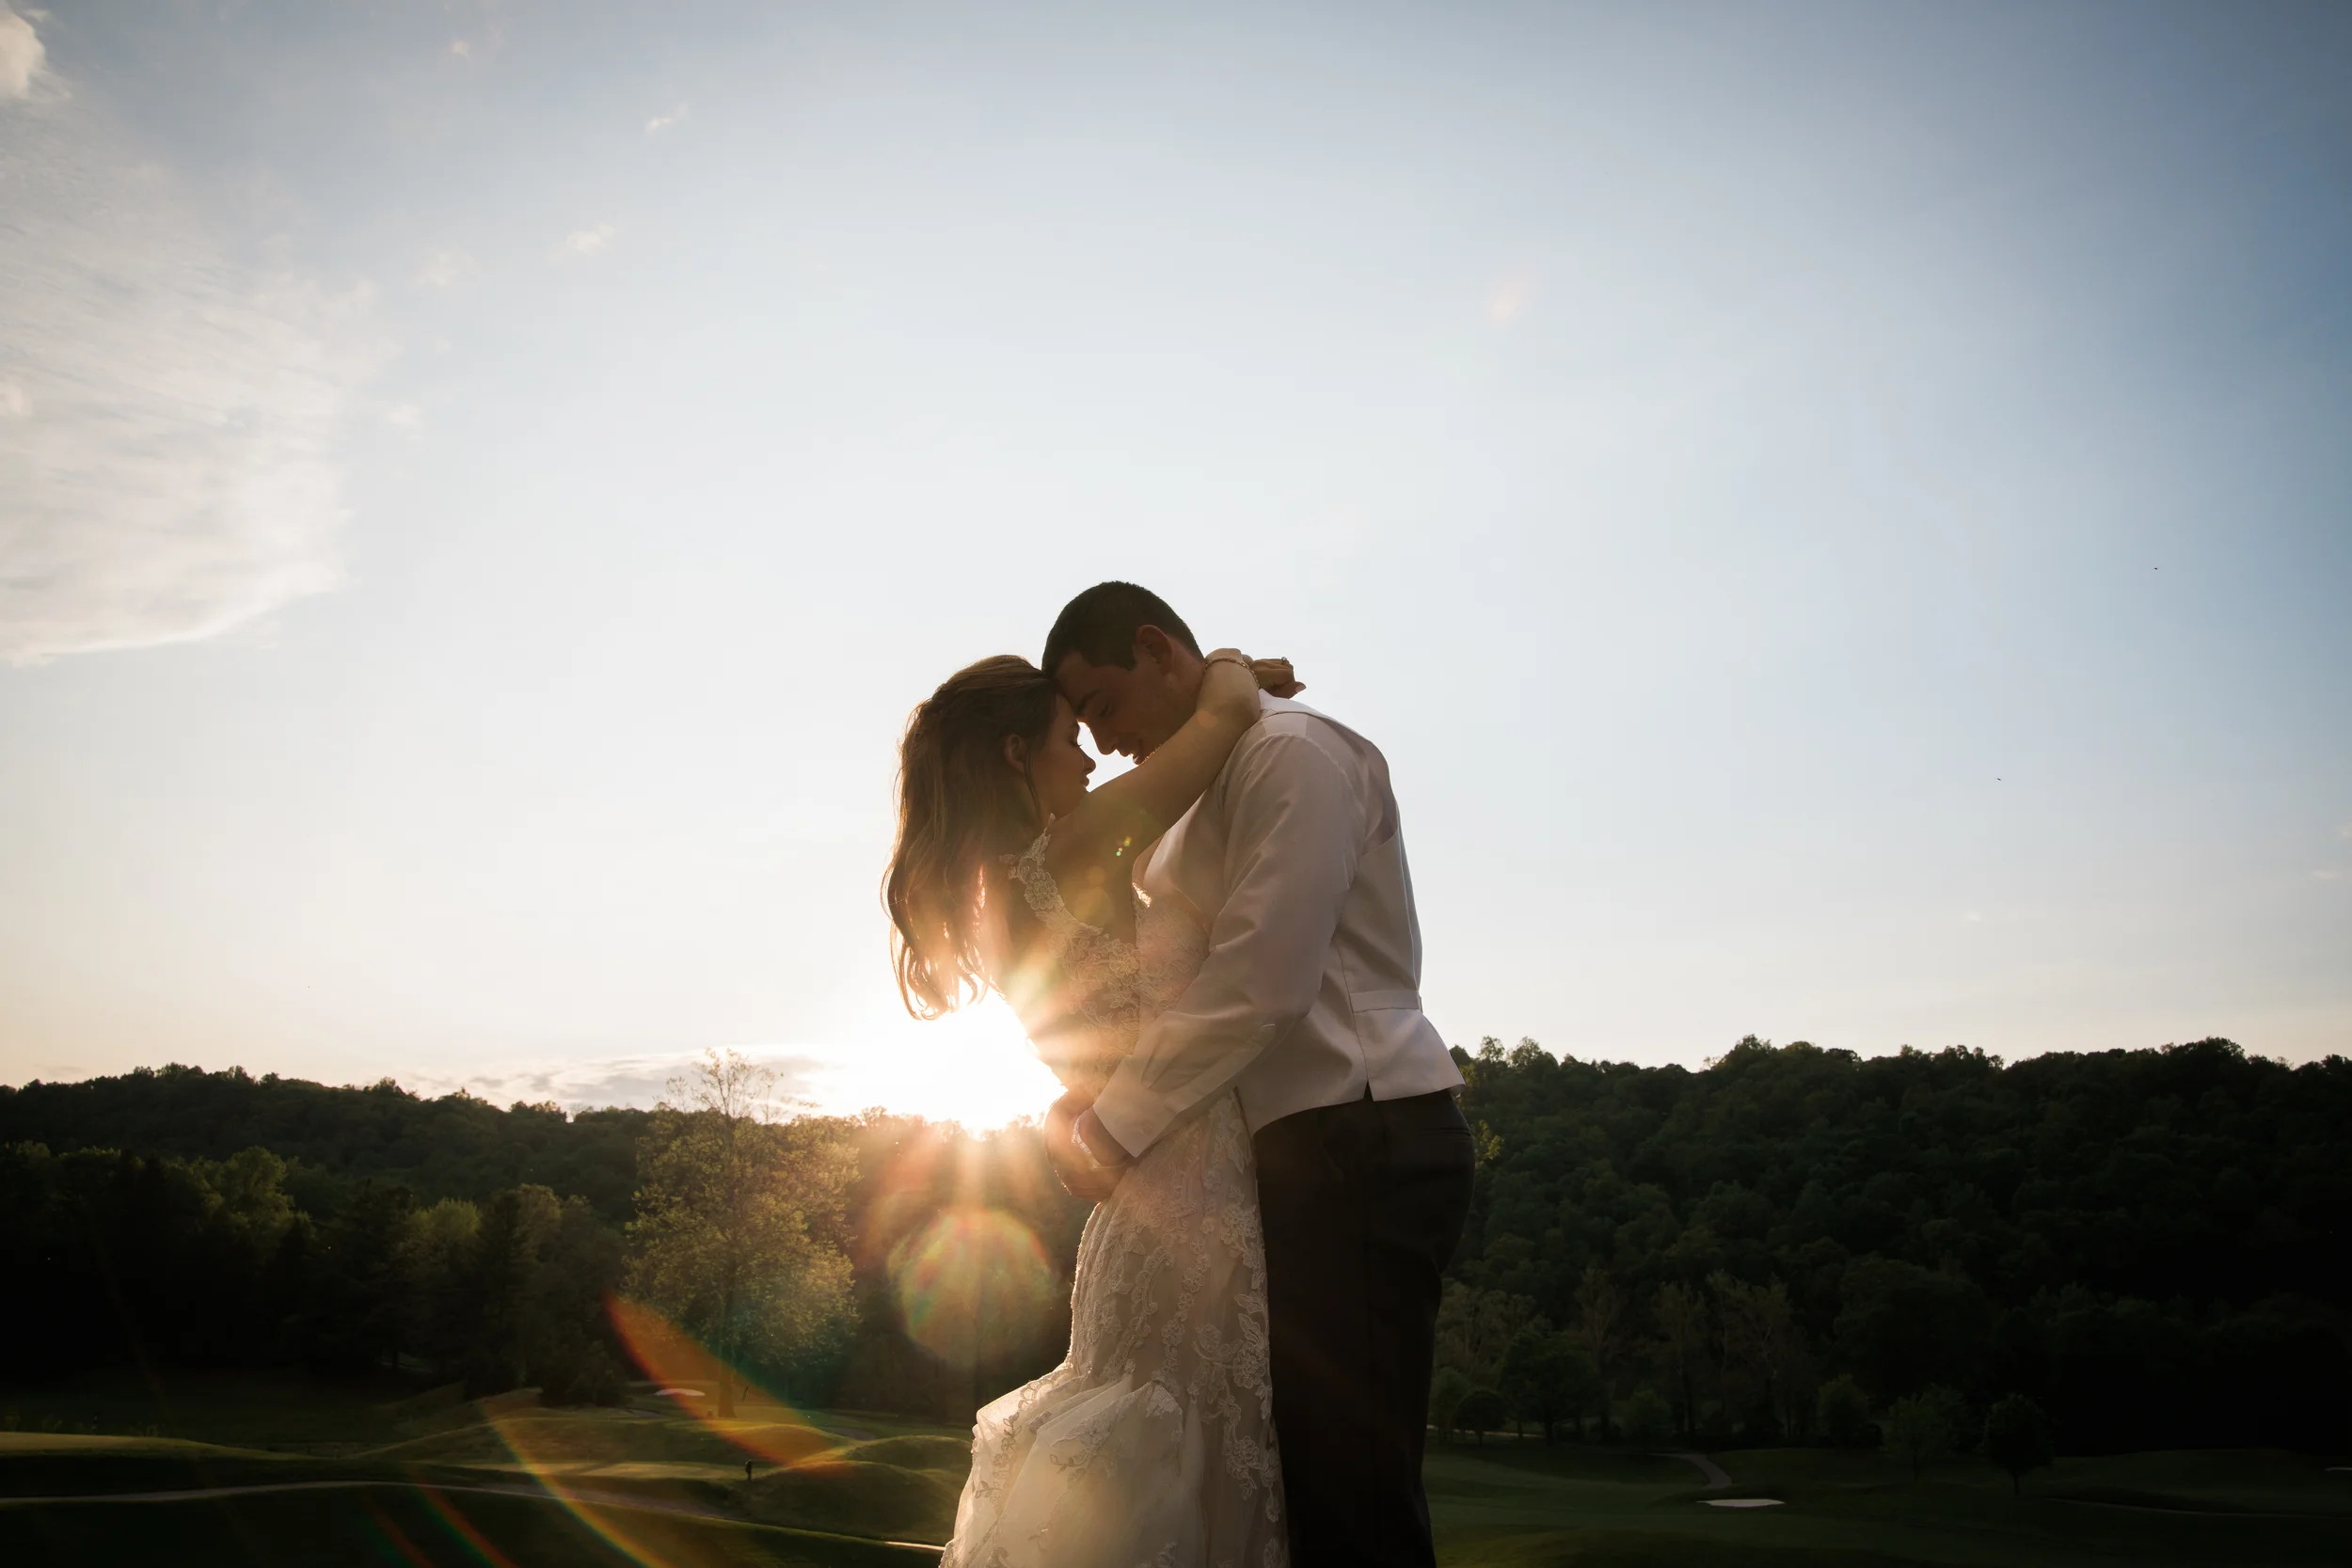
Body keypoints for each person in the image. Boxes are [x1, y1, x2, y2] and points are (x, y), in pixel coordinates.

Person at [1043, 582, 1473, 1568]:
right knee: (1305, 1489)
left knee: (1353, 1497)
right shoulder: (1210, 771)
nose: (1104, 742)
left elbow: (1261, 978)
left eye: (1105, 703)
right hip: (1290, 1152)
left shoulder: (1292, 753)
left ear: (1156, 648)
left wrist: (1111, 1126)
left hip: (1361, 1133)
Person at [885, 638, 1300, 1568]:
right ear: (1014, 753)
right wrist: (1228, 665)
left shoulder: (996, 893)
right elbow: (1223, 718)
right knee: (1198, 1436)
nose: (1092, 754)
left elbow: (1094, 1053)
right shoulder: (1068, 848)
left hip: (1140, 1195)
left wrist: (1064, 1107)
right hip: (1191, 1184)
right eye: (1071, 735)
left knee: (1173, 1436)